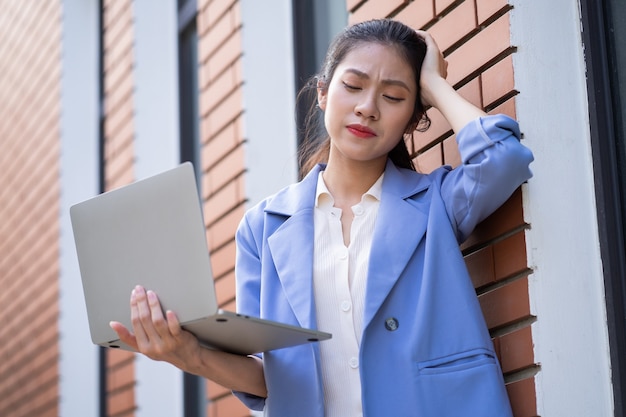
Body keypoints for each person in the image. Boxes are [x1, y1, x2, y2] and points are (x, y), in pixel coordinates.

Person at [111, 19, 533, 416]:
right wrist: (190, 354)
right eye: (353, 86)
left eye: (393, 96)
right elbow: (270, 374)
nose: (368, 108)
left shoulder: (435, 204)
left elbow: (503, 158)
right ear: (322, 93)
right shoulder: (263, 227)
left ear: (413, 118)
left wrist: (435, 86)